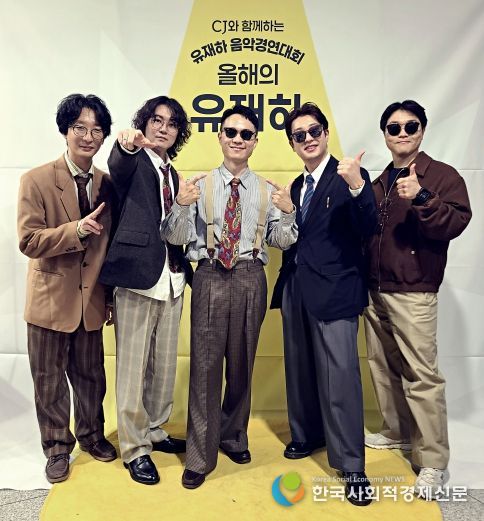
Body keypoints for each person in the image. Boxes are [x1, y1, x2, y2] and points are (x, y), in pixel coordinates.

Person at [162, 104, 297, 489]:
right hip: (209, 274)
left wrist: (289, 213)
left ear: (255, 142)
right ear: (220, 136)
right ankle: (199, 455)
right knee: (204, 367)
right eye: (231, 132)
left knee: (242, 363)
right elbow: (175, 236)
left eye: (246, 134)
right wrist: (181, 204)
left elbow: (282, 240)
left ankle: (234, 435)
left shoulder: (268, 190)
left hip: (251, 275)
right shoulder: (197, 186)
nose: (238, 139)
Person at [270, 102, 377, 507]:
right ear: (292, 144)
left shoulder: (349, 175)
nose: (309, 139)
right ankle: (307, 434)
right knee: (299, 369)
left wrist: (358, 187)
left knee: (341, 378)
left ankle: (352, 466)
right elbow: (296, 236)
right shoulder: (297, 186)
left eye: (314, 131)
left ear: (326, 134)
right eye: (299, 135)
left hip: (336, 290)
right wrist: (287, 213)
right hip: (297, 286)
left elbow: (368, 226)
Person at [363, 100, 472, 499]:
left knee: (422, 377)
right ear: (385, 135)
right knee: (383, 366)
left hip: (415, 290)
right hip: (375, 289)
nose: (402, 133)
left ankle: (433, 462)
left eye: (411, 126)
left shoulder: (441, 176)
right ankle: (397, 432)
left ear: (422, 130)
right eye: (394, 128)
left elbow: (456, 222)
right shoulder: (380, 181)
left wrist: (423, 196)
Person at [99, 96, 199, 486]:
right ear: (144, 123)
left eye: (171, 124)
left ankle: (155, 429)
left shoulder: (174, 175)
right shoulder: (135, 160)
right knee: (132, 368)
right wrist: (125, 145)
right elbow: (118, 165)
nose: (163, 128)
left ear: (178, 134)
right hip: (136, 277)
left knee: (163, 365)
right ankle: (134, 448)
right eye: (156, 120)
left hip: (172, 279)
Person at [17, 93, 117, 483]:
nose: (88, 136)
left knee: (92, 376)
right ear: (65, 131)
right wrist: (75, 230)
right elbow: (29, 241)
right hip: (50, 301)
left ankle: (92, 436)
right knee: (49, 380)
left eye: (97, 129)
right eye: (80, 127)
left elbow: (111, 248)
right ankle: (57, 448)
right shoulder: (36, 180)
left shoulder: (108, 184)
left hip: (91, 299)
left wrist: (109, 297)